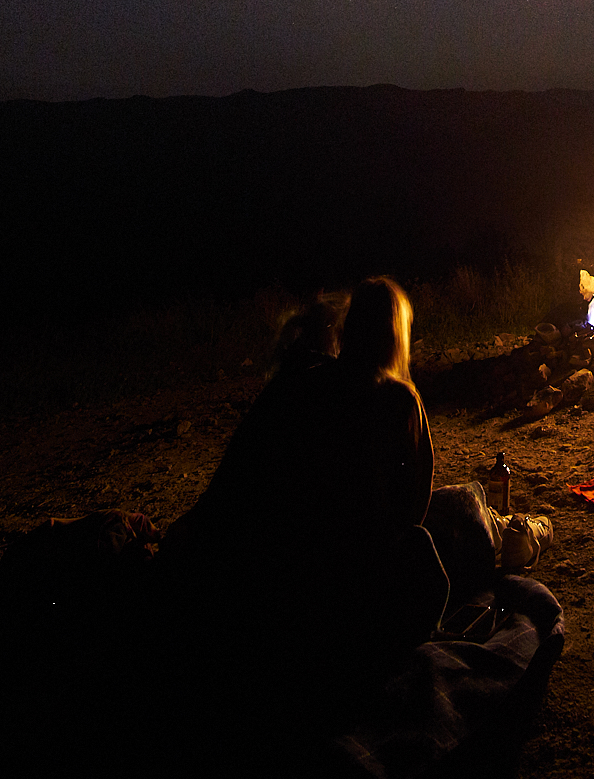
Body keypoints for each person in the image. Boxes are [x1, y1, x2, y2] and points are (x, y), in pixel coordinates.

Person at [160, 277, 449, 724]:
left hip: (290, 577)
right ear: (397, 335)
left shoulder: (306, 384)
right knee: (431, 551)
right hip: (351, 592)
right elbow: (413, 510)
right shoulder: (399, 399)